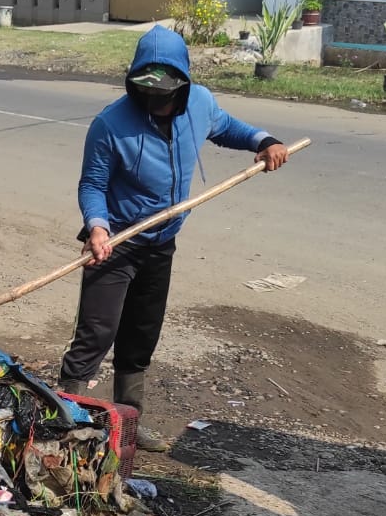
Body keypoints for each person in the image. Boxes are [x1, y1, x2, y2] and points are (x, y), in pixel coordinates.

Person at [58, 24, 288, 451]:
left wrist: (264, 140)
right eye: (147, 94)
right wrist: (98, 227)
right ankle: (65, 421)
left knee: (141, 336)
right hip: (117, 244)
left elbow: (226, 126)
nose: (156, 104)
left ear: (182, 85)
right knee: (96, 334)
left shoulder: (199, 102)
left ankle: (128, 425)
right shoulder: (110, 124)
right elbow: (92, 184)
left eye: (164, 96)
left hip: (162, 243)